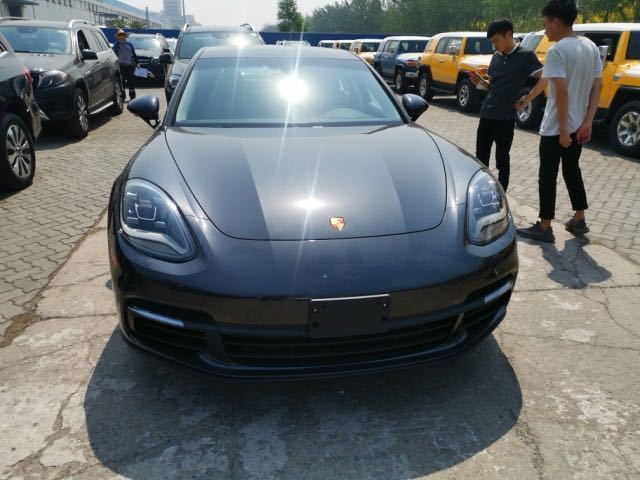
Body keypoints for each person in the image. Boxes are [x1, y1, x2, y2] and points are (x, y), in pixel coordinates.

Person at [516, 0, 602, 243]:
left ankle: (544, 227)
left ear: (555, 22)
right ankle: (579, 219)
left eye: (545, 24)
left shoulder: (557, 50)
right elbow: (597, 86)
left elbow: (561, 91)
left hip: (557, 127)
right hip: (579, 126)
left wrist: (563, 130)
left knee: (547, 175)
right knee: (572, 171)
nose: (544, 30)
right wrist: (588, 122)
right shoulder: (590, 47)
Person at [469, 19, 543, 192]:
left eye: (496, 40)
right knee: (480, 160)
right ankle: (481, 193)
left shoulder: (526, 55)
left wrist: (526, 100)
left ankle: (501, 195)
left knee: (502, 160)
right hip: (486, 115)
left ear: (508, 34)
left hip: (505, 118)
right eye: (492, 42)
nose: (494, 45)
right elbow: (492, 86)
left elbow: (545, 78)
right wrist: (480, 82)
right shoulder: (496, 57)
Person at [112, 29, 139, 101]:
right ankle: (122, 97)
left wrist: (137, 63)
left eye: (122, 35)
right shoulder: (116, 46)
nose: (121, 37)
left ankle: (132, 98)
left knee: (131, 82)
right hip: (120, 66)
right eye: (120, 35)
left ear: (125, 36)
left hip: (130, 66)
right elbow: (113, 55)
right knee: (122, 82)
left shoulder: (130, 45)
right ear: (118, 37)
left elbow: (134, 54)